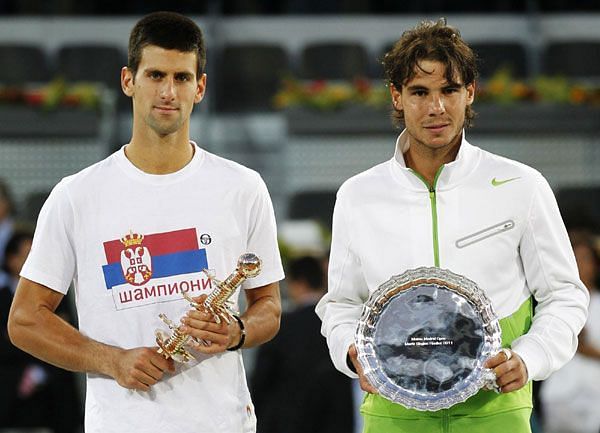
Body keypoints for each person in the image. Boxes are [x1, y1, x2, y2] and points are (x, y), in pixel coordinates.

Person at [8, 11, 284, 433]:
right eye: (155, 75)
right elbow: (25, 319)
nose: (168, 92)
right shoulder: (76, 196)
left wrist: (237, 331)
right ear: (128, 80)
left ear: (200, 87)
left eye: (182, 78)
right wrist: (112, 360)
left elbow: (269, 308)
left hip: (222, 423)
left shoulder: (243, 188)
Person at [315, 18, 589, 433]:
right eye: (420, 92)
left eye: (449, 90)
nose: (436, 107)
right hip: (393, 413)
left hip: (495, 410)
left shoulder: (522, 185)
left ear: (470, 92)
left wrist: (530, 357)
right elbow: (340, 305)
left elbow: (565, 294)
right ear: (396, 96)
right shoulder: (358, 195)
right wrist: (352, 354)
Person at [251, 255, 354, 433]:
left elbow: (262, 378)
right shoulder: (339, 328)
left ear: (297, 282)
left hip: (287, 421)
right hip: (335, 420)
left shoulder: (282, 326)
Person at [1, 230, 83, 433]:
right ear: (11, 259)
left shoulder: (57, 296)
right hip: (12, 397)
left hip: (56, 394)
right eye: (27, 254)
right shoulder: (1, 299)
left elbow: (68, 336)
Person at [540, 230, 600, 433]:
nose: (582, 265)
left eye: (586, 259)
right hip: (559, 396)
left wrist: (584, 348)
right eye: (575, 258)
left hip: (594, 397)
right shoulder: (552, 303)